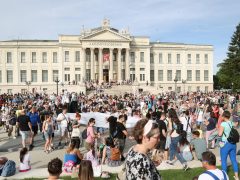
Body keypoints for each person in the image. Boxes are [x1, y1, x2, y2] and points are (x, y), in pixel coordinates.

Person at [218, 110, 239, 180]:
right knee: (233, 160)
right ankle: (236, 177)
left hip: (225, 143)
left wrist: (218, 128)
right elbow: (235, 124)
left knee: (224, 160)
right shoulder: (231, 122)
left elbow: (220, 134)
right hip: (233, 143)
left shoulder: (223, 124)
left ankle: (224, 178)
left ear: (224, 116)